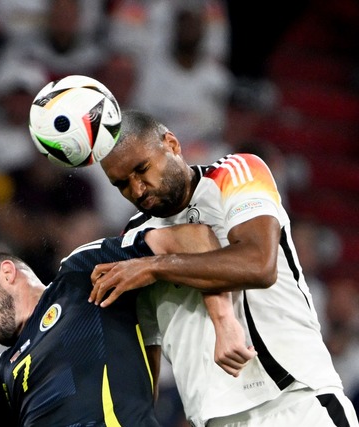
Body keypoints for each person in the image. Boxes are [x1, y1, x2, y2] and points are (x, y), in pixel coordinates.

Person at [90, 110, 359, 426]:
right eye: (122, 184)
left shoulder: (236, 173)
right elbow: (148, 351)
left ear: (172, 144)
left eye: (142, 169)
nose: (138, 190)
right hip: (213, 419)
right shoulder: (135, 240)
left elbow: (259, 263)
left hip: (295, 401)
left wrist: (156, 267)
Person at [0, 222, 243, 426]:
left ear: (7, 273)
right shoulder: (3, 371)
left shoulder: (79, 276)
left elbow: (191, 237)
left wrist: (224, 322)